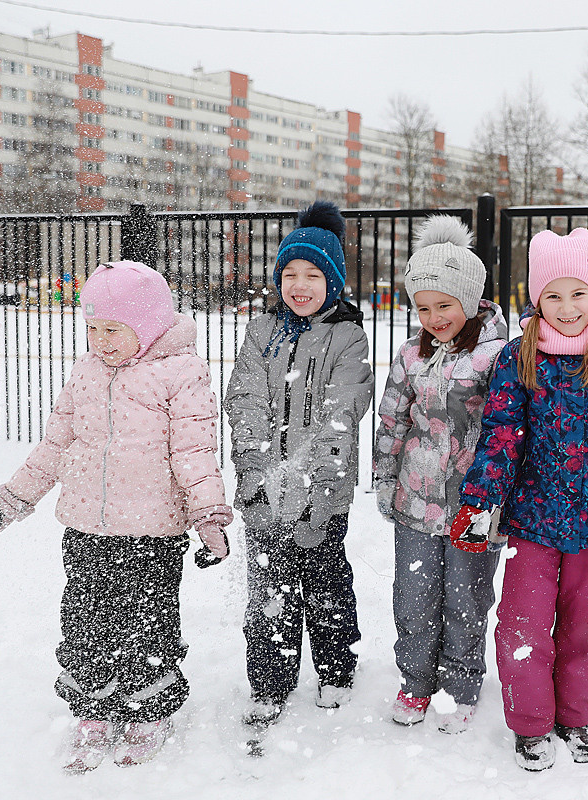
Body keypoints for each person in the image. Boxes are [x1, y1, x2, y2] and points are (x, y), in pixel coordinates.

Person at [0, 260, 232, 773]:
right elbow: (55, 445)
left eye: (113, 330)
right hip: (86, 526)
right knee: (86, 621)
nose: (100, 341)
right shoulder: (87, 370)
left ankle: (146, 708)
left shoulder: (179, 372)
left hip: (152, 531)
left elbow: (195, 449)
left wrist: (209, 516)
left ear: (147, 327)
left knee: (147, 625)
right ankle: (93, 706)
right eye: (92, 328)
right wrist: (10, 502)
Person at [451, 227, 588, 771]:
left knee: (583, 627)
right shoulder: (517, 357)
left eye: (577, 293)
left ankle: (573, 715)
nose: (567, 307)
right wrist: (480, 502)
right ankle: (530, 723)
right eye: (553, 295)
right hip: (533, 521)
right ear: (536, 298)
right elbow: (500, 434)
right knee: (522, 624)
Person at [224, 201, 372, 731]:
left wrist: (308, 482)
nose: (300, 285)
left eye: (313, 274)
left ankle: (335, 667)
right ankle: (269, 680)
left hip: (322, 494)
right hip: (263, 489)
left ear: (333, 281)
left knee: (325, 582)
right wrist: (258, 474)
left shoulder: (349, 337)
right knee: (269, 590)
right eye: (290, 274)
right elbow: (245, 402)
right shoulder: (261, 332)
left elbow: (342, 413)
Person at [373, 216, 508, 734]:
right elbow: (392, 419)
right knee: (413, 597)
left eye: (444, 305)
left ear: (470, 299)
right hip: (416, 499)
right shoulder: (411, 355)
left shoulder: (499, 356)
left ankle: (460, 685)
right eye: (422, 307)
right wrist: (386, 479)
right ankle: (415, 682)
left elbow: (508, 431)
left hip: (477, 506)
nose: (433, 317)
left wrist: (500, 499)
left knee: (466, 597)